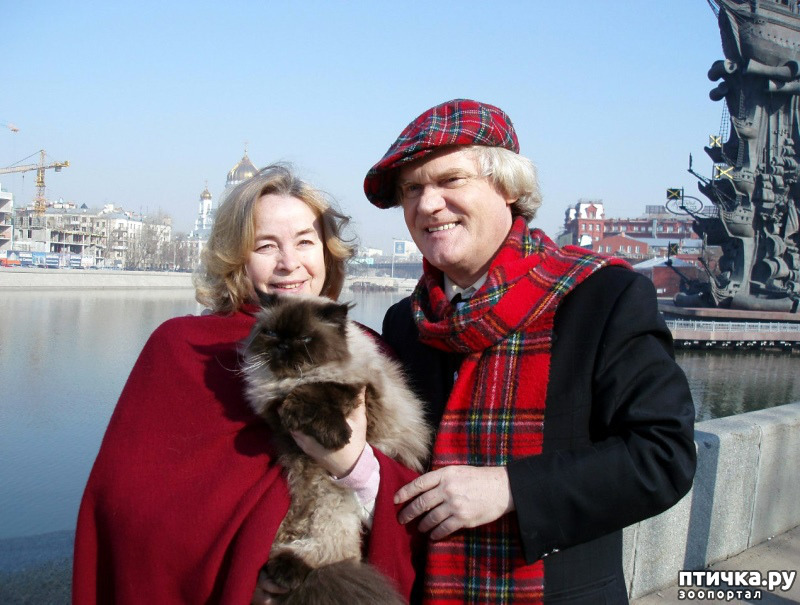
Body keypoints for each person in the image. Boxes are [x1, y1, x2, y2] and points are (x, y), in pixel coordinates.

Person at [361, 99, 697, 603]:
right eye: (412, 189)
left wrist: (511, 488)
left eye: (451, 180)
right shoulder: (405, 324)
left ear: (509, 188)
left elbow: (664, 456)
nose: (427, 204)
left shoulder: (601, 298)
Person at [72, 164, 421, 605]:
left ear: (327, 252)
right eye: (266, 245)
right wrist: (239, 572)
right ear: (236, 257)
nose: (289, 263)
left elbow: (409, 501)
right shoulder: (182, 347)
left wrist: (352, 465)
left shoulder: (368, 348)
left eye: (305, 242)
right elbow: (129, 511)